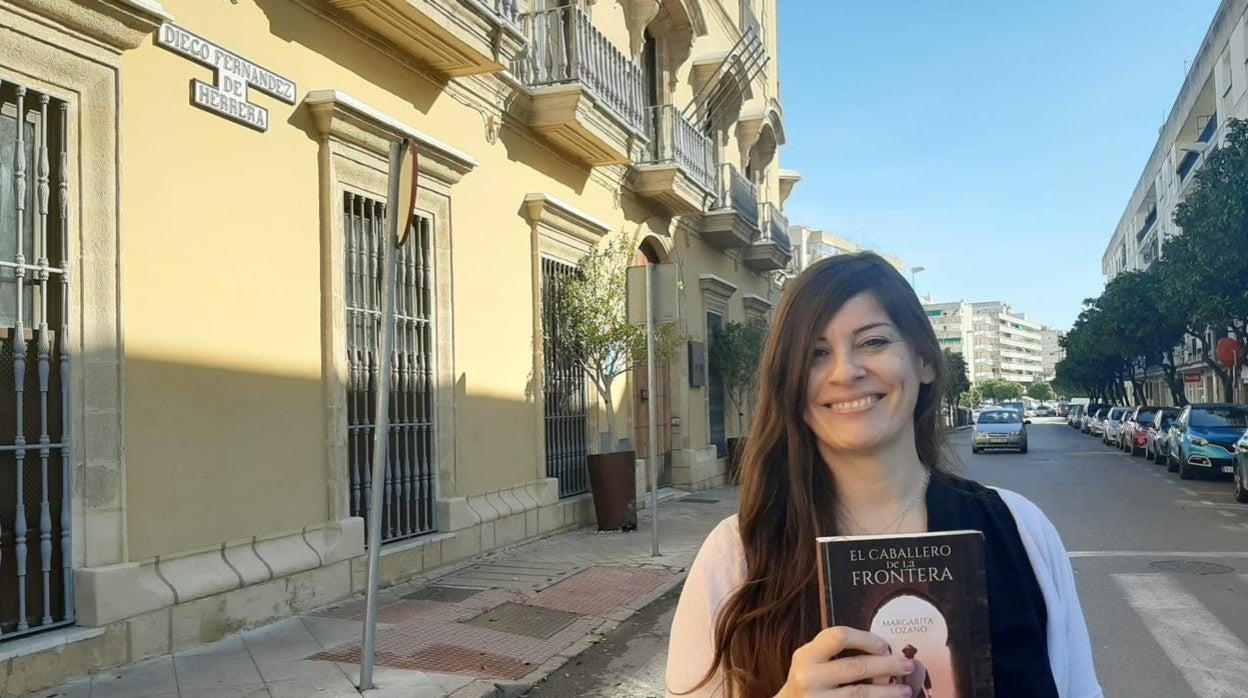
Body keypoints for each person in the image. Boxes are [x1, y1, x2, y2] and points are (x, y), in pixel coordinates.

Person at [664, 253, 1101, 698]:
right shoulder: (737, 558)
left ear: (924, 361)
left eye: (872, 342)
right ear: (790, 383)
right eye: (816, 354)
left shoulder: (1021, 533)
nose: (845, 372)